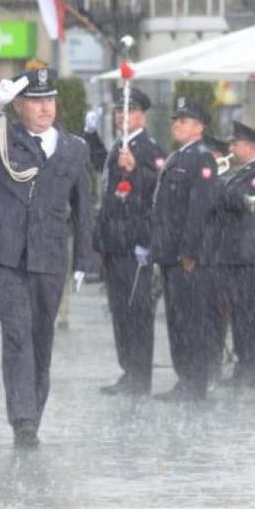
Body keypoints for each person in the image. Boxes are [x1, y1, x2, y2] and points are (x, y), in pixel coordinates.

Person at [0, 69, 94, 448]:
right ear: (18, 105)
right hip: (6, 255)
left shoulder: (74, 147)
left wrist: (83, 260)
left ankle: (32, 415)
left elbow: (84, 207)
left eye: (50, 100)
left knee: (42, 339)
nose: (46, 108)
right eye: (36, 101)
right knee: (16, 336)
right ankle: (22, 421)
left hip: (50, 254)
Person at [84, 87, 165, 397]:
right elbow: (104, 169)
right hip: (114, 242)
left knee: (137, 312)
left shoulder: (149, 148)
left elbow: (158, 185)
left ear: (141, 115)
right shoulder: (121, 143)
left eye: (128, 111)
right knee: (120, 311)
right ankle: (128, 369)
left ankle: (140, 376)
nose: (122, 116)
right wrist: (91, 136)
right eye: (118, 111)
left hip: (135, 243)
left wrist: (136, 170)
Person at [149, 96, 218, 402]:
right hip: (169, 253)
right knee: (177, 321)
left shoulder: (202, 159)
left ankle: (196, 383)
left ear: (200, 127)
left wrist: (189, 252)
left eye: (185, 120)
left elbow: (199, 209)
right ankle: (184, 378)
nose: (177, 124)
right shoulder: (178, 158)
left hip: (187, 257)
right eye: (176, 120)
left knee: (192, 321)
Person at [206, 121, 255, 390]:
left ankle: (252, 370)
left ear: (250, 146)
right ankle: (243, 365)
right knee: (238, 316)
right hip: (231, 254)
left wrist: (217, 187)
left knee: (249, 316)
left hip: (245, 255)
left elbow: (239, 200)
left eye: (235, 144)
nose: (231, 148)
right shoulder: (240, 172)